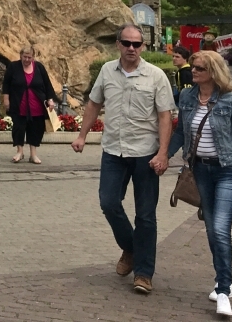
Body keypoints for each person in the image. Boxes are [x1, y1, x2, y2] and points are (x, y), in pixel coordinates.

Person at [71, 23, 175, 296]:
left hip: (145, 154)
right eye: (126, 43)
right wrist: (82, 136)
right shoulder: (106, 71)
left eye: (137, 44)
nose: (131, 48)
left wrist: (163, 153)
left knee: (146, 216)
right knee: (108, 202)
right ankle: (130, 247)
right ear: (118, 44)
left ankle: (143, 273)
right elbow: (94, 104)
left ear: (143, 47)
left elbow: (165, 115)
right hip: (113, 151)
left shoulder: (156, 76)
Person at [169, 50, 232, 318]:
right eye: (194, 67)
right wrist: (162, 155)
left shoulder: (230, 101)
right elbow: (180, 132)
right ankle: (225, 279)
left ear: (213, 72)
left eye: (199, 68)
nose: (193, 71)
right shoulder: (187, 97)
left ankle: (223, 290)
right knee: (212, 230)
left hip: (228, 172)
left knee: (220, 229)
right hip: (200, 172)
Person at [2, 44, 58, 164]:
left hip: (36, 104)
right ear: (21, 56)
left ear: (33, 57)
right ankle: (20, 152)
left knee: (36, 129)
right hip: (18, 104)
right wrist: (6, 99)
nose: (27, 60)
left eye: (29, 57)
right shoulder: (13, 67)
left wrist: (50, 100)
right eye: (25, 57)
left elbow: (47, 84)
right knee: (18, 128)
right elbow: (6, 84)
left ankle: (33, 154)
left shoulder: (39, 67)